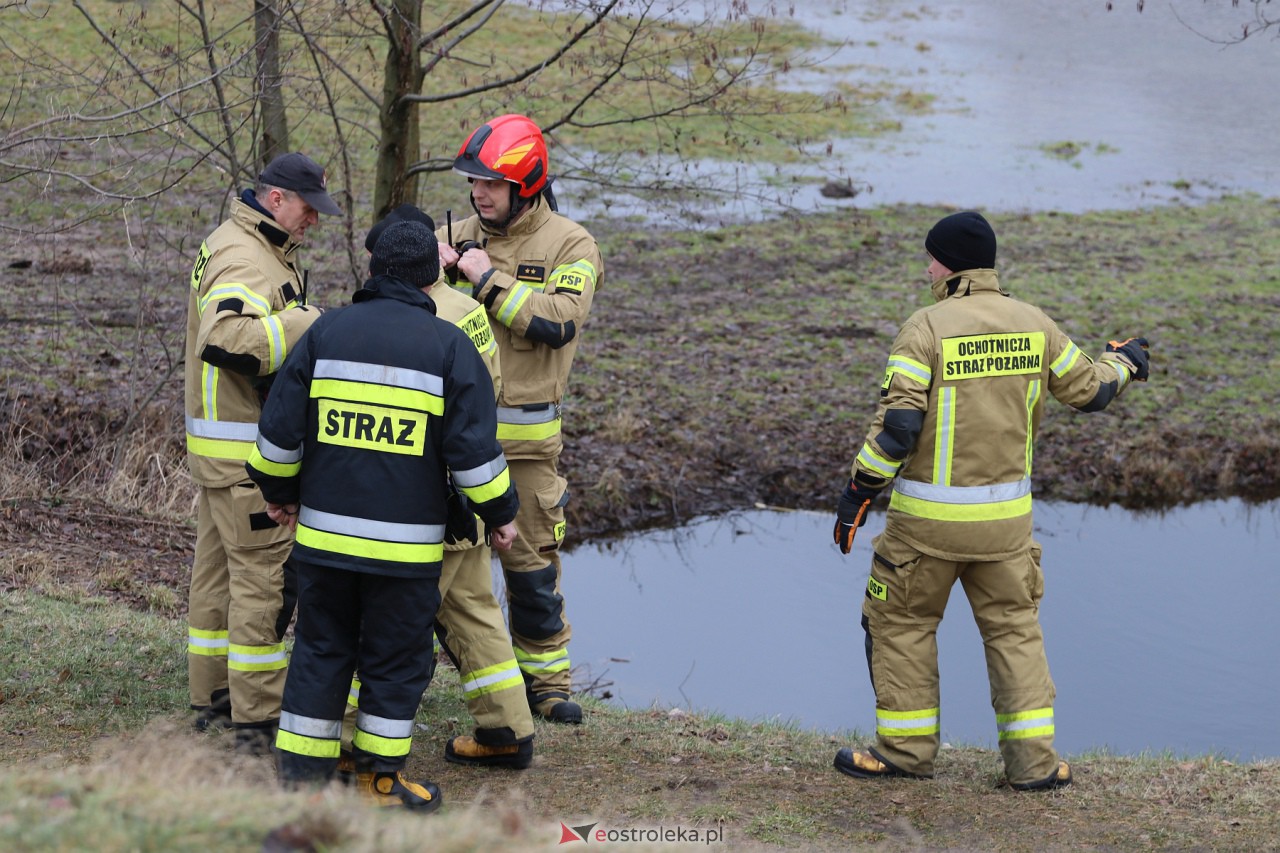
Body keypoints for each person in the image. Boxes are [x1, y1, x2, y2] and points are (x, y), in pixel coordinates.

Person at [830, 211, 1151, 791]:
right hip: (1006, 529)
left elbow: (897, 429)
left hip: (925, 531)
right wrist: (1124, 362)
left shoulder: (924, 328)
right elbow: (1093, 391)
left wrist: (857, 494)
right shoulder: (1035, 325)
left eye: (930, 257)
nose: (925, 266)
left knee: (900, 623)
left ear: (948, 263)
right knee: (1013, 631)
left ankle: (904, 753)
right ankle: (1034, 767)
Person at [246, 219, 520, 811]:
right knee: (393, 665)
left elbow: (276, 435)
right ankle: (379, 787)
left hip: (323, 544)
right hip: (405, 554)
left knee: (321, 652)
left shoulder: (325, 333)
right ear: (432, 281)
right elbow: (473, 454)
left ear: (372, 272)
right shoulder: (451, 348)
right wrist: (500, 514)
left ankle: (301, 786)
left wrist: (279, 491)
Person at [356, 204, 536, 769]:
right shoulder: (468, 310)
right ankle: (508, 730)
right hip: (476, 493)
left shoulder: (424, 319)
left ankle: (346, 735)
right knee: (475, 613)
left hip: (433, 503)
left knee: (390, 619)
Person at [438, 114, 603, 724]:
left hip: (529, 452)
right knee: (444, 572)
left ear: (525, 184)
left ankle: (549, 686)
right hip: (453, 447)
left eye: (489, 183)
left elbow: (558, 320)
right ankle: (473, 677)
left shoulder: (571, 244)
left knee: (532, 571)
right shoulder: (448, 234)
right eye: (473, 182)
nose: (478, 194)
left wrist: (483, 277)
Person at [183, 152, 340, 755]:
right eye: (307, 209)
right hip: (247, 456)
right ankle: (255, 717)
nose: (313, 222)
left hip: (219, 451)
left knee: (217, 576)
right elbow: (227, 341)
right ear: (275, 199)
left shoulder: (239, 242)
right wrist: (303, 323)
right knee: (262, 583)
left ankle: (213, 698)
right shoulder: (245, 258)